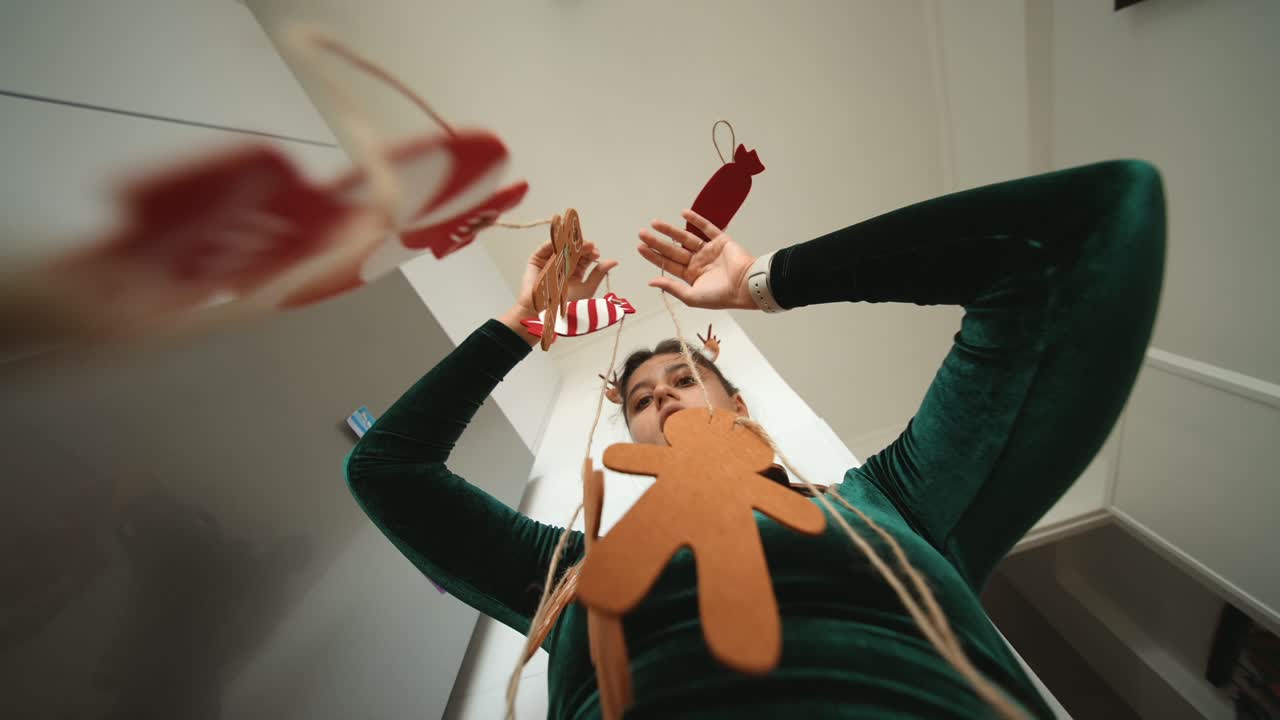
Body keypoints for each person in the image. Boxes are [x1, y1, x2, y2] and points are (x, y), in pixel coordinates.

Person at [345, 160, 1165, 718]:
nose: (662, 396)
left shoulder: (901, 504)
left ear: (740, 407)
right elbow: (389, 470)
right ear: (628, 435)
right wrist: (519, 326)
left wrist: (769, 281)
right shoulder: (568, 572)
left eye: (681, 380)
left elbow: (1088, 229)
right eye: (640, 398)